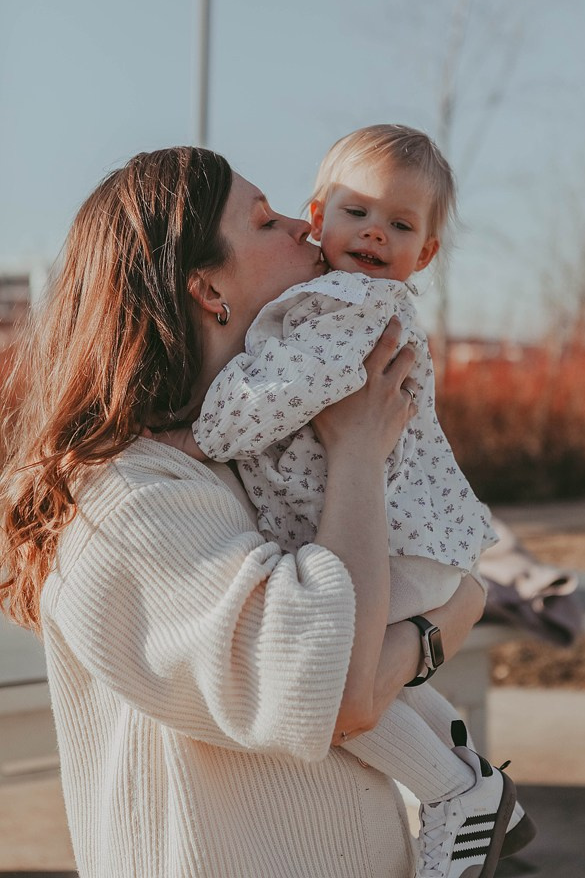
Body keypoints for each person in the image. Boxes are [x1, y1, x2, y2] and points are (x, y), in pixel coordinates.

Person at [0, 146, 490, 878]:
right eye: (265, 220)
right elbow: (340, 694)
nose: (303, 225)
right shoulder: (131, 499)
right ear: (208, 288)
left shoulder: (243, 460)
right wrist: (359, 456)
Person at [157, 126, 534, 878]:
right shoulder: (329, 299)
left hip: (394, 539)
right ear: (320, 211)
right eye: (357, 212)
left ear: (423, 254)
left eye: (400, 226)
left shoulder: (346, 302)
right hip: (410, 541)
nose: (373, 233)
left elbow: (280, 391)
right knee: (371, 680)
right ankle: (473, 781)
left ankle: (455, 793)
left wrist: (198, 437)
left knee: (336, 686)